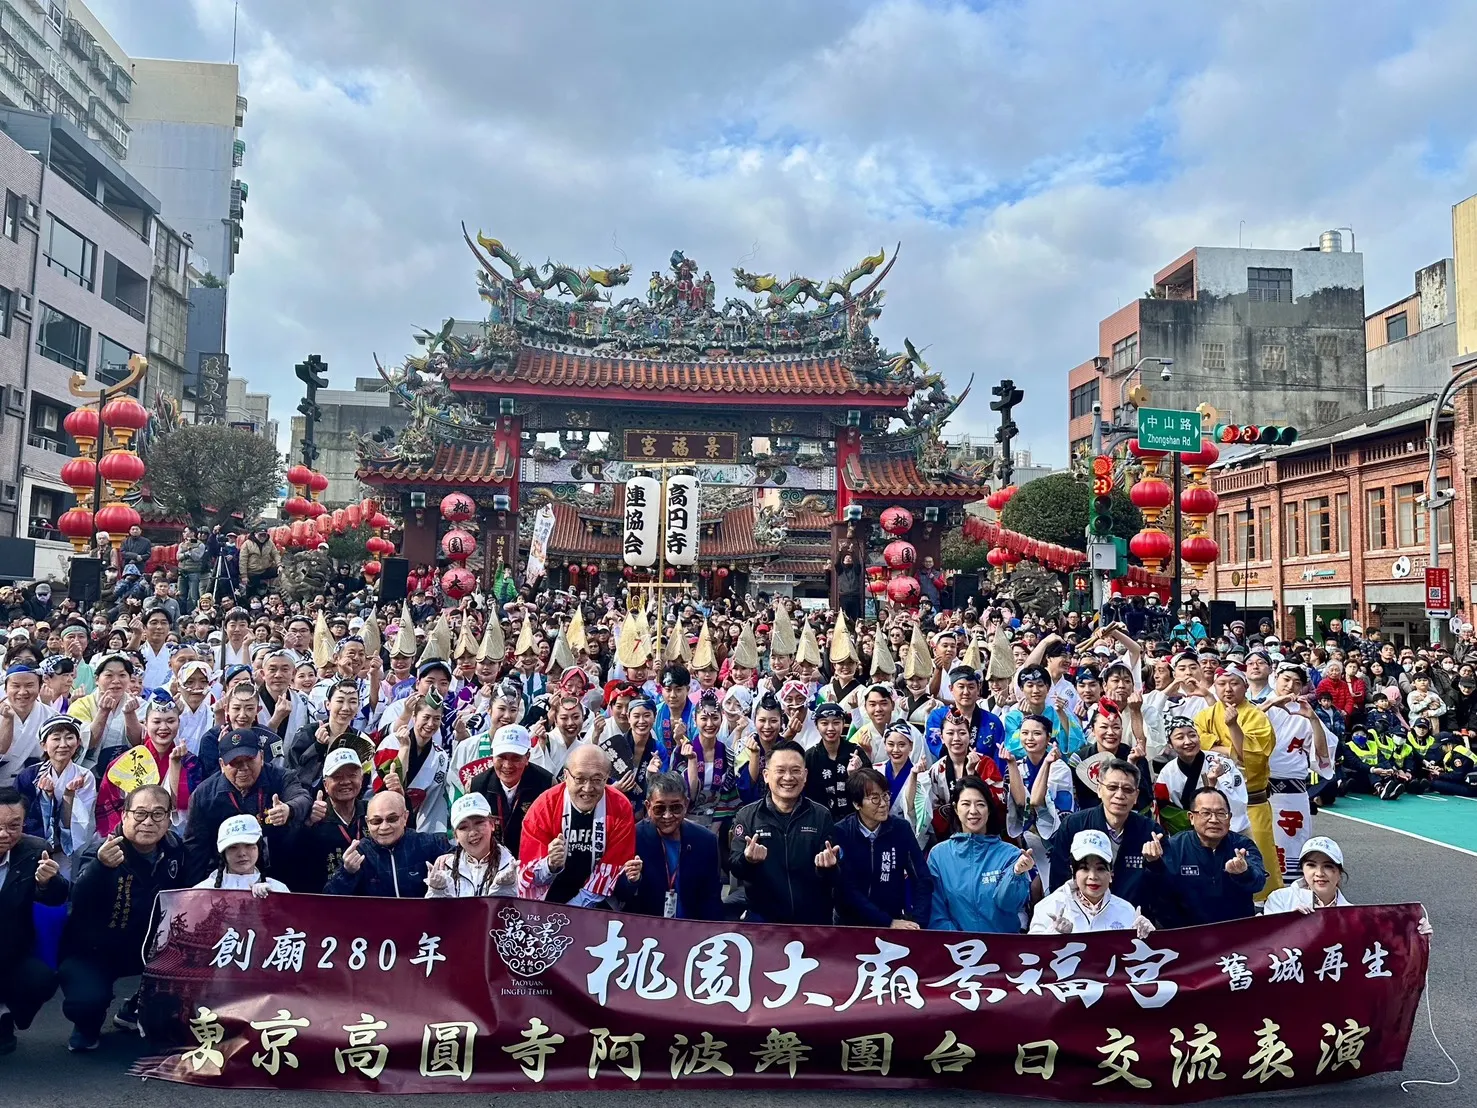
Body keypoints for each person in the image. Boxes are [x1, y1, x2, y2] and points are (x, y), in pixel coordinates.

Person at [58, 784, 188, 1051]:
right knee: (86, 1001)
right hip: (95, 950)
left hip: (148, 948)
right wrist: (100, 868)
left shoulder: (176, 850)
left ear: (168, 817)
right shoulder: (100, 851)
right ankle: (87, 1024)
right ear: (125, 815)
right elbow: (77, 901)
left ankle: (135, 1007)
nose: (148, 822)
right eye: (140, 813)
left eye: (157, 814)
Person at [728, 739, 839, 924]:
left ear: (805, 775)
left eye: (795, 771)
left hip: (813, 920)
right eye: (780, 771)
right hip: (764, 920)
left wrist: (829, 867)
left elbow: (834, 878)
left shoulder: (821, 815)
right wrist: (748, 860)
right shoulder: (747, 816)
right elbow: (736, 868)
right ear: (766, 775)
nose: (788, 778)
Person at [1195, 666, 1282, 900]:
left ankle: (1265, 902)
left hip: (1251, 802)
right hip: (1213, 801)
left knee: (1258, 853)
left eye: (1234, 683)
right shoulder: (1206, 715)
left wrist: (1233, 727)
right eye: (1222, 684)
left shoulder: (1256, 716)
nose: (1227, 689)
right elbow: (1196, 743)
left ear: (1245, 686)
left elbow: (1251, 757)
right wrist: (1231, 749)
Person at [182, 728, 310, 884]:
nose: (243, 768)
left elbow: (302, 797)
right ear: (222, 764)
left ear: (261, 757)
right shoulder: (204, 795)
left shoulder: (282, 777)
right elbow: (195, 848)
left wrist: (289, 809)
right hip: (225, 876)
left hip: (278, 872)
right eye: (235, 762)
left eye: (249, 759)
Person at [518, 743, 638, 907]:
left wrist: (574, 909)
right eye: (579, 778)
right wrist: (550, 865)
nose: (588, 788)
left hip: (598, 899)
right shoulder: (544, 806)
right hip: (550, 895)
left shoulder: (620, 806)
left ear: (607, 777)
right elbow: (528, 874)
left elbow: (612, 867)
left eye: (597, 779)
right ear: (566, 775)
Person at [0, 786, 67, 1054]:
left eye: (13, 826)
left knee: (40, 979)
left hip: (12, 952)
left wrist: (46, 883)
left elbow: (57, 897)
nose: (4, 834)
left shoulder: (34, 851)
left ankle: (5, 1012)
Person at [1143, 786, 1267, 927]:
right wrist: (1153, 863)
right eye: (1206, 813)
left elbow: (1259, 882)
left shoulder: (1242, 845)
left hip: (1235, 934)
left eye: (1221, 813)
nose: (1214, 820)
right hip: (1186, 935)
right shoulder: (1174, 847)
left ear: (1230, 818)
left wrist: (1244, 873)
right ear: (1191, 817)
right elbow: (1157, 893)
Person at [1047, 758, 1159, 912]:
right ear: (1099, 789)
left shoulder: (1151, 831)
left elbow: (1162, 886)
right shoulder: (1074, 825)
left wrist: (1155, 863)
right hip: (1081, 915)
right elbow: (1059, 878)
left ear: (1136, 796)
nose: (1119, 795)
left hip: (1132, 919)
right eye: (1112, 787)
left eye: (1127, 789)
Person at [926, 775, 1034, 932]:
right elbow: (936, 914)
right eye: (965, 804)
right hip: (957, 951)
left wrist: (1016, 874)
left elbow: (1009, 905)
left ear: (989, 809)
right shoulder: (939, 855)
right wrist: (963, 945)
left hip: (1003, 950)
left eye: (980, 804)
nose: (973, 811)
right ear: (956, 808)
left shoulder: (1011, 854)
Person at [833, 767, 932, 928]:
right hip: (850, 924)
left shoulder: (901, 829)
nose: (883, 804)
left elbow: (922, 878)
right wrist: (887, 922)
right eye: (874, 798)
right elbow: (847, 890)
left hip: (894, 921)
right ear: (857, 804)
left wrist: (918, 922)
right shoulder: (842, 832)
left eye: (885, 795)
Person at [616, 773, 724, 920]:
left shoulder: (706, 841)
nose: (667, 816)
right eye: (660, 809)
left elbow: (712, 898)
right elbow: (620, 894)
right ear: (648, 806)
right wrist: (630, 880)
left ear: (686, 804)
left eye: (675, 808)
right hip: (646, 930)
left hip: (692, 928)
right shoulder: (633, 837)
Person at [1029, 829, 1154, 936]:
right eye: (1084, 868)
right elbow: (1031, 954)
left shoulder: (1126, 910)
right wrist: (1056, 934)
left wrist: (1147, 938)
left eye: (1100, 869)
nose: (1093, 876)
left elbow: (1137, 959)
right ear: (1073, 871)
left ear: (1111, 873)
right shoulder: (1049, 907)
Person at [16, 717, 97, 878]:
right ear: (43, 745)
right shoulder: (29, 776)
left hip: (66, 850)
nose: (63, 744)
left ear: (78, 742)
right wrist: (46, 799)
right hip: (33, 846)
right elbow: (21, 816)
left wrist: (68, 795)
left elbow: (81, 822)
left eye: (69, 737)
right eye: (56, 738)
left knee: (61, 890)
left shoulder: (84, 776)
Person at [466, 724, 554, 856]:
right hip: (491, 859)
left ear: (527, 757)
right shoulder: (476, 786)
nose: (507, 765)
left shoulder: (547, 784)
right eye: (501, 757)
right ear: (492, 756)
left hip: (533, 858)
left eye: (516, 758)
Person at [425, 793, 519, 898]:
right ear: (455, 836)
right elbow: (435, 913)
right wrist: (437, 892)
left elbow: (514, 911)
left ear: (492, 824)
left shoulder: (510, 867)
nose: (473, 832)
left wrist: (507, 890)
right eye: (463, 827)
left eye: (478, 822)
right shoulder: (445, 867)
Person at [193, 814, 289, 896]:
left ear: (259, 847)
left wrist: (274, 899)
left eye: (248, 845)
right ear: (223, 853)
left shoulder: (278, 889)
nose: (242, 853)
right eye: (233, 847)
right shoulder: (201, 892)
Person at [0, 663, 59, 787]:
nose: (22, 692)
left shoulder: (52, 716)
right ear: (5, 689)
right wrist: (7, 720)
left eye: (29, 685)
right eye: (15, 686)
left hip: (35, 784)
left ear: (40, 687)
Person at [1262, 836, 1352, 914]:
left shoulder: (1353, 914)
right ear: (1303, 869)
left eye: (1328, 866)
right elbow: (1270, 933)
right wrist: (1289, 920)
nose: (1319, 873)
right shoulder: (1280, 899)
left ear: (1339, 873)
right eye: (1311, 865)